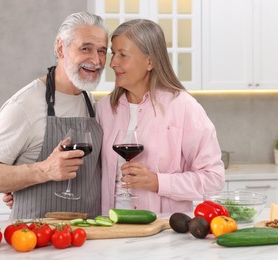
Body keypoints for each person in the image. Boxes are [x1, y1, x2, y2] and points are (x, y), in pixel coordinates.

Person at [0, 12, 108, 219]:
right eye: (85, 48)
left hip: (88, 239)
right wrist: (44, 170)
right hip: (34, 243)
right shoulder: (24, 105)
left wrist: (16, 182)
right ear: (61, 48)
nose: (96, 60)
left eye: (102, 51)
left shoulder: (90, 101)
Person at [96, 19, 225, 215]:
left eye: (123, 55)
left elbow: (213, 179)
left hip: (163, 234)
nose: (113, 63)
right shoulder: (104, 109)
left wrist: (158, 182)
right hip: (112, 230)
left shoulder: (183, 107)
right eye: (113, 53)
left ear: (150, 62)